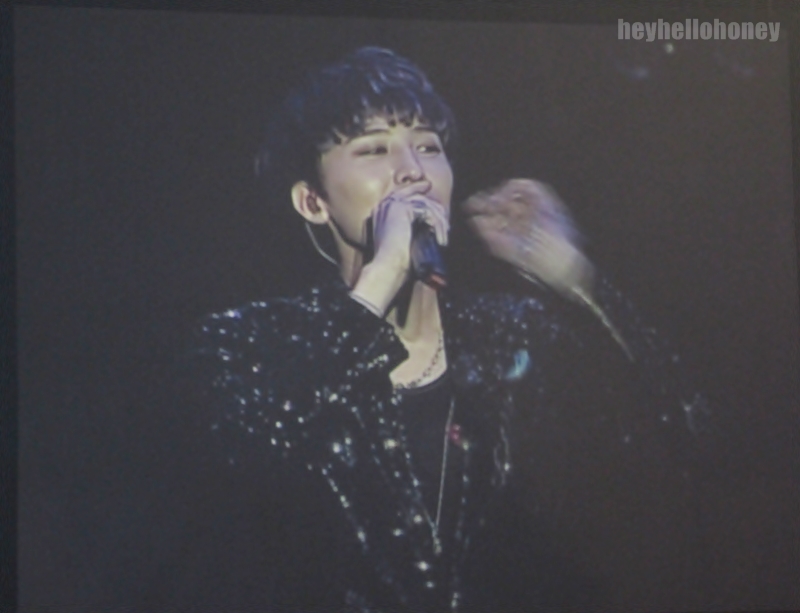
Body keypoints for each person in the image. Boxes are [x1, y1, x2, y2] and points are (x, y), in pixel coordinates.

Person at [194, 46, 705, 612]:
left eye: (429, 146)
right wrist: (385, 271)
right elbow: (244, 474)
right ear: (313, 201)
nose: (412, 170)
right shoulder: (254, 344)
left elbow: (685, 438)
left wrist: (575, 277)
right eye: (373, 149)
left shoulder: (512, 335)